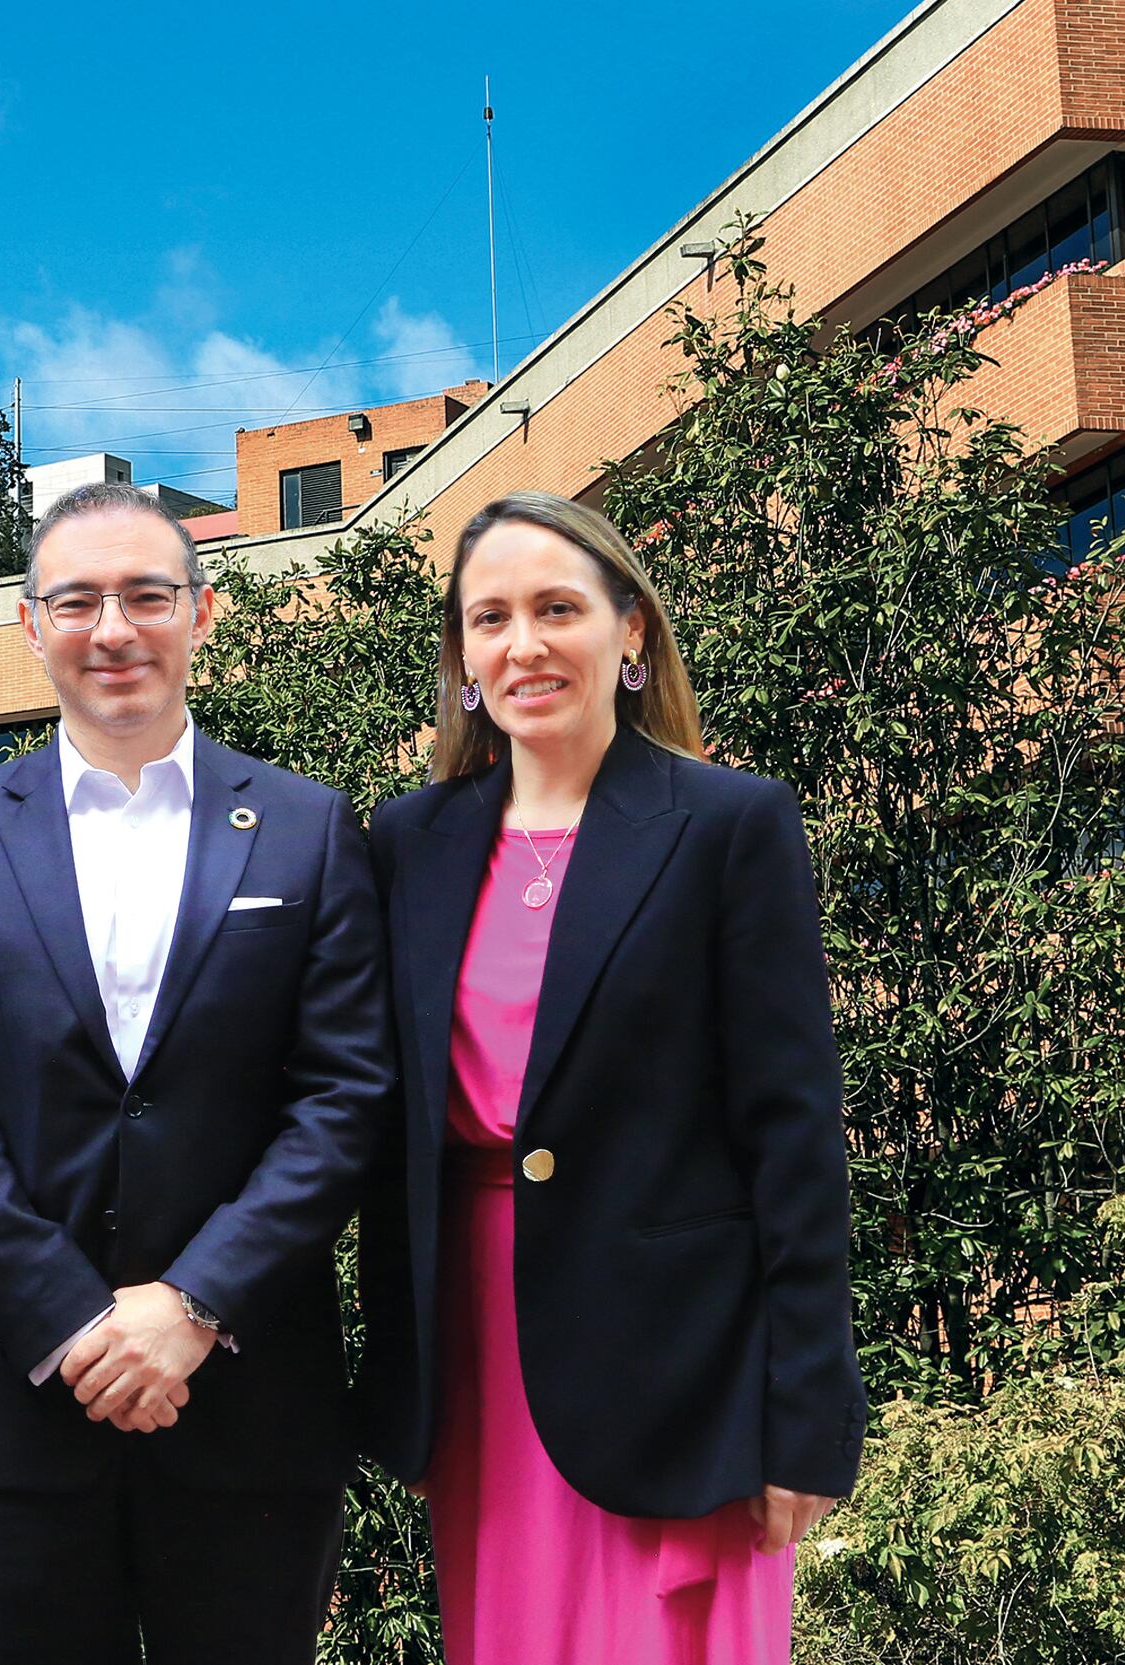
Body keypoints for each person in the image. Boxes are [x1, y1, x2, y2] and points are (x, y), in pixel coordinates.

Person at [0, 482, 394, 1665]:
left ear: (201, 614)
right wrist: (71, 1321)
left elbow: (345, 1094)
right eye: (79, 600)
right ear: (29, 624)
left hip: (251, 1401)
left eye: (148, 596)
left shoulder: (309, 829)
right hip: (20, 1394)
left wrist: (195, 1300)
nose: (114, 628)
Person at [358, 491, 865, 1662]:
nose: (523, 644)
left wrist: (807, 1419)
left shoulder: (728, 825)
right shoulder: (408, 843)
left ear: (630, 630)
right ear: (464, 658)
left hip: (680, 1364)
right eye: (490, 618)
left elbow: (793, 1138)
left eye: (556, 609)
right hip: (475, 1353)